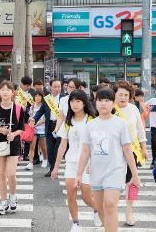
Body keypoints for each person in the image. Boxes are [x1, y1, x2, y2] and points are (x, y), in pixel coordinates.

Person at [75, 88, 140, 232]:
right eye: (100, 100)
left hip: (115, 170)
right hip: (97, 172)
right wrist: (79, 174)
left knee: (110, 204)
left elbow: (128, 150)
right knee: (100, 207)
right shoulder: (90, 125)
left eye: (107, 100)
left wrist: (135, 175)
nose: (103, 103)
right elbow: (85, 151)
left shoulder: (121, 124)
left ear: (112, 103)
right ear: (95, 103)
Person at [51, 90, 101, 231]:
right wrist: (55, 167)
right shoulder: (68, 122)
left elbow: (97, 144)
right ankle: (76, 223)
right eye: (72, 101)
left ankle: (97, 209)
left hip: (87, 165)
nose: (75, 104)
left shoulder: (92, 120)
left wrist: (92, 163)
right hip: (71, 163)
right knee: (71, 195)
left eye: (78, 101)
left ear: (84, 103)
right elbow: (62, 145)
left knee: (86, 197)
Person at [113, 80, 147, 226]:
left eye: (126, 95)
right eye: (120, 94)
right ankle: (111, 212)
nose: (122, 97)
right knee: (114, 184)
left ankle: (129, 213)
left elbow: (140, 129)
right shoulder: (109, 108)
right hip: (113, 153)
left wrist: (143, 147)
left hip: (132, 152)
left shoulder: (133, 109)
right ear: (114, 94)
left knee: (132, 181)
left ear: (130, 96)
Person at [0, 81, 25, 215]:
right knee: (1, 175)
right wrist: (0, 130)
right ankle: (3, 203)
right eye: (2, 89)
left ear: (13, 92)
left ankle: (13, 197)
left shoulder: (19, 108)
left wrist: (13, 134)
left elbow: (21, 128)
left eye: (8, 89)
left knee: (11, 174)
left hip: (14, 144)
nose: (5, 91)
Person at [30, 79, 64, 177]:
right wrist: (34, 119)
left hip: (60, 126)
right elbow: (41, 111)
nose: (57, 89)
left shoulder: (64, 98)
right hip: (49, 126)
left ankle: (56, 168)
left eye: (59, 87)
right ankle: (52, 169)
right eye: (55, 87)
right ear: (50, 87)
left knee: (57, 148)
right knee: (50, 149)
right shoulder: (47, 99)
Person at [26, 90, 48, 170]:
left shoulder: (44, 106)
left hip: (42, 129)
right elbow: (30, 116)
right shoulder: (32, 106)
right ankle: (30, 163)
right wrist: (30, 120)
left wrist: (37, 123)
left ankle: (45, 159)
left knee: (43, 147)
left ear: (42, 97)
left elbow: (45, 119)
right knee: (32, 147)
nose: (37, 97)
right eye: (35, 96)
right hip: (33, 129)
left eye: (39, 96)